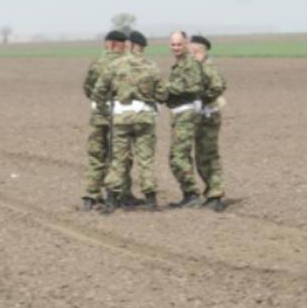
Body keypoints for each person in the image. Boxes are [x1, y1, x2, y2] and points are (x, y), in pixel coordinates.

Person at [92, 30, 164, 213]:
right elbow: (163, 94)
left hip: (121, 117)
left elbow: (99, 90)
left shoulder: (116, 65)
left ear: (130, 45)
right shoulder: (152, 67)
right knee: (145, 159)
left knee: (119, 159)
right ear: (143, 47)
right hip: (145, 117)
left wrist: (104, 109)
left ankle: (111, 200)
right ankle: (151, 199)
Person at [80, 30, 127, 211]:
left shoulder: (97, 63)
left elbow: (88, 89)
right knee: (117, 155)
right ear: (118, 45)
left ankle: (91, 196)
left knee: (96, 155)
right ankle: (114, 195)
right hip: (119, 115)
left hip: (99, 114)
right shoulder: (124, 64)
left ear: (107, 44)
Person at [162, 30, 205, 208]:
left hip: (186, 114)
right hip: (178, 114)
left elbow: (194, 85)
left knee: (178, 157)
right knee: (177, 157)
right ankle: (188, 194)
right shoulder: (178, 64)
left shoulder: (190, 63)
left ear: (186, 44)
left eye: (179, 44)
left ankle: (193, 194)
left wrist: (168, 88)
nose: (176, 47)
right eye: (173, 44)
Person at [190, 35, 227, 212]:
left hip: (209, 116)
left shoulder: (207, 67)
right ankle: (211, 192)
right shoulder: (199, 67)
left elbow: (219, 86)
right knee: (202, 156)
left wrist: (202, 97)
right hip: (203, 116)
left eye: (192, 50)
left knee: (209, 156)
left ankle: (216, 195)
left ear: (199, 50)